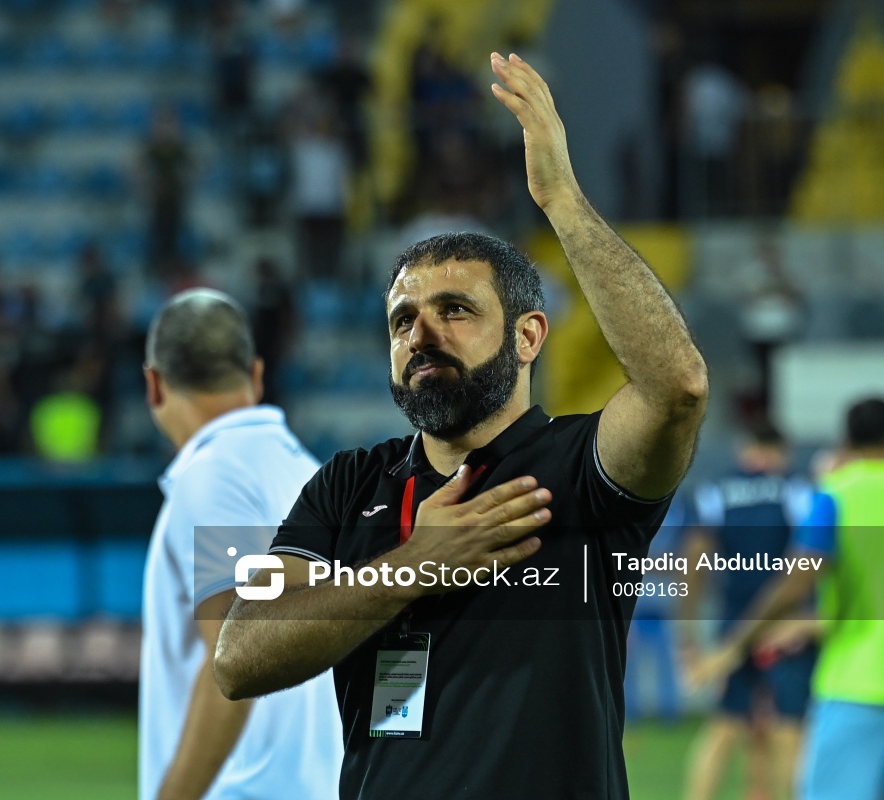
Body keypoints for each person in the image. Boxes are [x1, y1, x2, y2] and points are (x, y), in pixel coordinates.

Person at [214, 52, 709, 798]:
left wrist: (563, 202)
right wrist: (412, 568)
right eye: (403, 320)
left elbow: (677, 388)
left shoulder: (580, 467)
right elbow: (240, 658)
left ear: (528, 336)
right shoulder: (351, 484)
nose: (421, 334)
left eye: (455, 310)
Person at [139, 289, 342, 800]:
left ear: (154, 384)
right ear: (255, 374)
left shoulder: (214, 478)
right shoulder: (308, 474)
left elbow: (234, 661)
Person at [694, 397, 884, 800]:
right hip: (834, 656)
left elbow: (796, 582)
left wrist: (735, 643)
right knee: (784, 729)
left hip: (860, 685)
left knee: (735, 729)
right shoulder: (802, 490)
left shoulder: (836, 495)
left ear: (848, 442)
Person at [680, 423, 816, 800]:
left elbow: (693, 563)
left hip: (733, 623)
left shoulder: (715, 491)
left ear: (746, 447)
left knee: (724, 727)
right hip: (784, 624)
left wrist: (688, 636)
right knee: (789, 730)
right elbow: (805, 562)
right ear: (781, 451)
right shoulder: (796, 488)